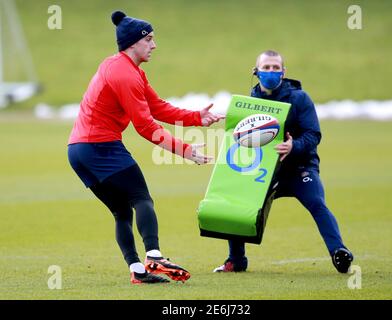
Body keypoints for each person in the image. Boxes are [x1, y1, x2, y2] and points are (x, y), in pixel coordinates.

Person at [68, 10, 224, 285]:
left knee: (122, 211)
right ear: (133, 42)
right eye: (149, 39)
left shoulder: (126, 69)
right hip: (100, 147)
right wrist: (185, 151)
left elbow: (157, 107)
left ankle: (138, 270)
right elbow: (146, 127)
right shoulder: (125, 75)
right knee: (142, 198)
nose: (154, 45)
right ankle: (154, 256)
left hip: (78, 150)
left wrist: (196, 117)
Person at [213, 50, 353, 274]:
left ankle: (339, 252)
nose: (271, 72)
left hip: (299, 168)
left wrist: (293, 146)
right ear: (256, 71)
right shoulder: (250, 102)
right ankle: (236, 260)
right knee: (237, 202)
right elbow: (239, 140)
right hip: (265, 171)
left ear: (283, 71)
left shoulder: (299, 98)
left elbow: (313, 135)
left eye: (275, 68)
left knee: (317, 203)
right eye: (266, 67)